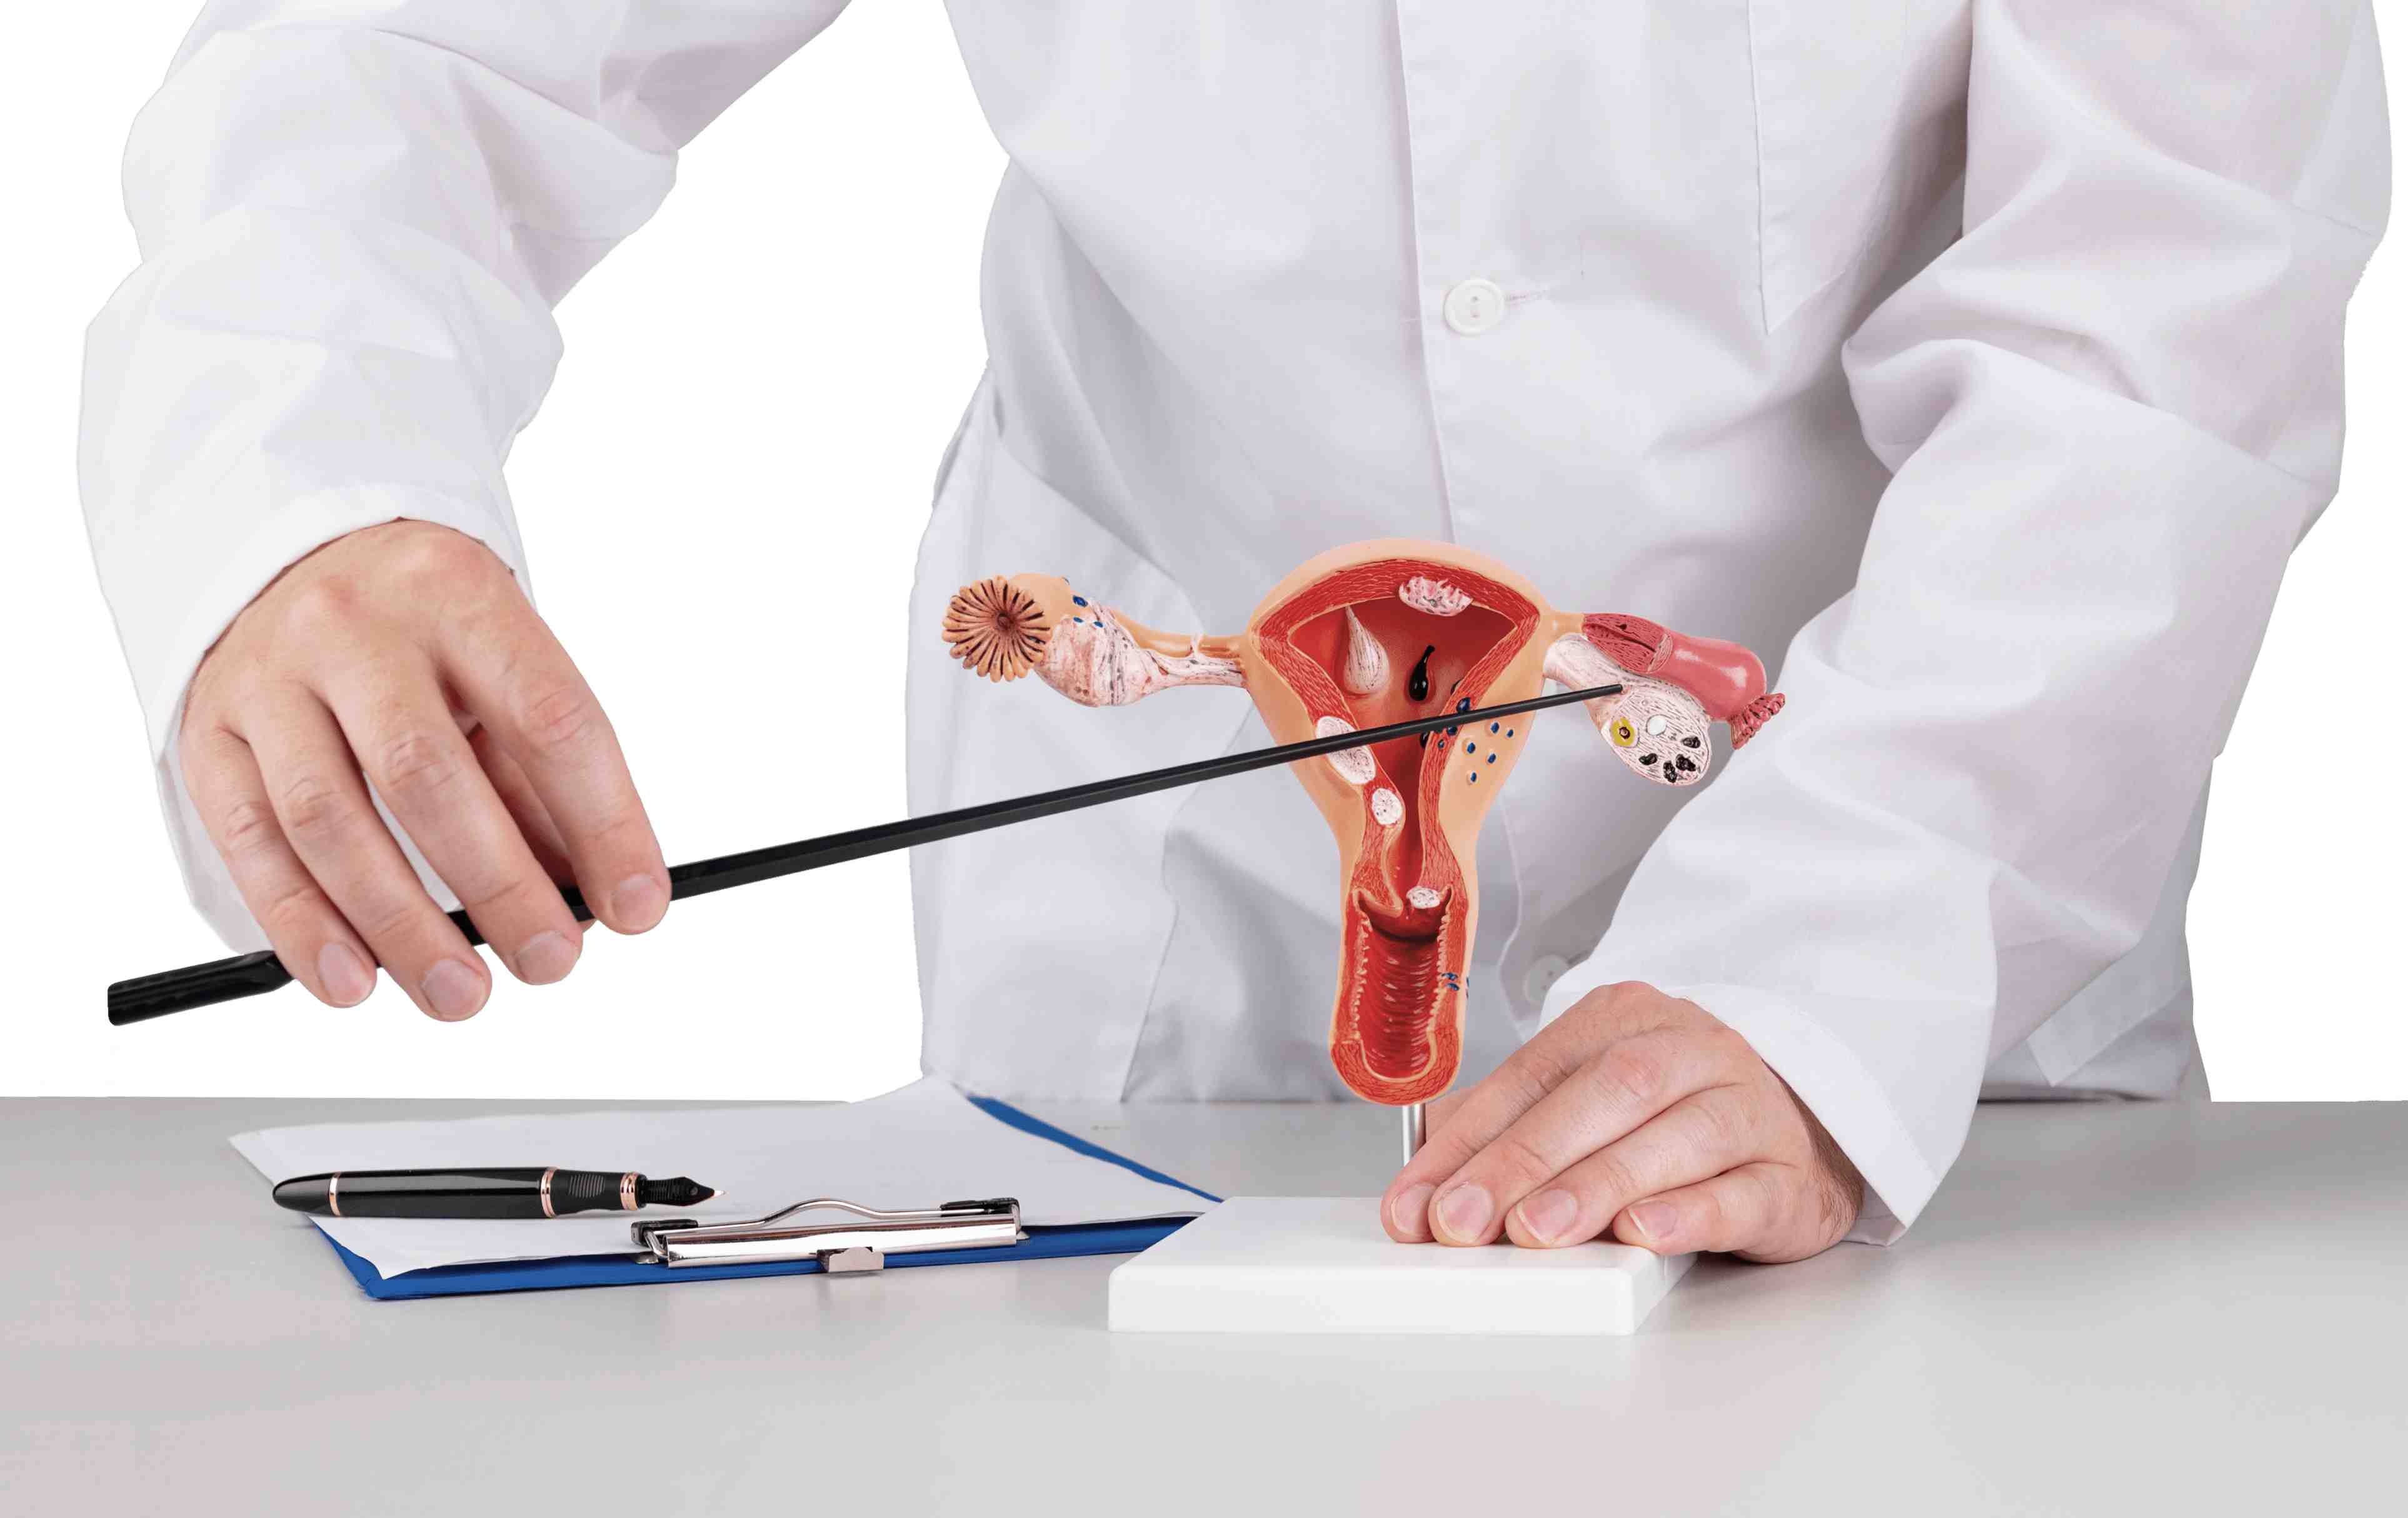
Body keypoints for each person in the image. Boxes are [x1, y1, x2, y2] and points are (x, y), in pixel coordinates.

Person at [83, 3, 2389, 1266]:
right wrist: (304, 500)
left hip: (1919, 918)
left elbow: (2163, 320)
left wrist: (1833, 963)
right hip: (1174, 957)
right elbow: (405, 54)